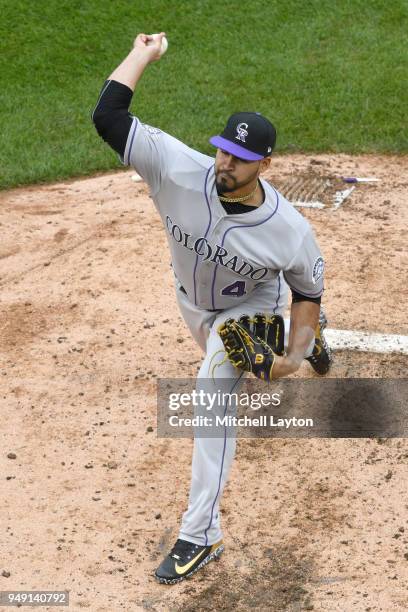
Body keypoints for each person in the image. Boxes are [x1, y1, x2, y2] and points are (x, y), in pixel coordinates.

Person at [92, 32, 332, 585]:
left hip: (253, 311)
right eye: (224, 149)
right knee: (221, 352)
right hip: (192, 307)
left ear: (265, 164)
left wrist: (292, 358)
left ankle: (201, 534)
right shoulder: (178, 169)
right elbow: (108, 115)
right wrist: (142, 53)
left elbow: (308, 292)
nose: (226, 162)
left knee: (214, 380)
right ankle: (302, 341)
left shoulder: (288, 230)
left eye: (241, 158)